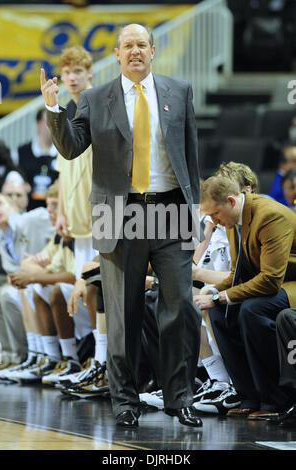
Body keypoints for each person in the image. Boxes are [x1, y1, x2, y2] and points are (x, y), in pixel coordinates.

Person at [41, 23, 202, 428]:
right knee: (123, 312)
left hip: (171, 210)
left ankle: (179, 397)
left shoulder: (179, 91)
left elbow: (192, 153)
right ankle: (125, 401)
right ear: (116, 54)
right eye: (127, 46)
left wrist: (194, 208)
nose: (135, 52)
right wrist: (54, 109)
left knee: (180, 306)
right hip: (120, 212)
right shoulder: (96, 97)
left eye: (141, 45)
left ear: (153, 51)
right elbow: (72, 146)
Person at [194, 176, 296, 419]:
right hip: (277, 284)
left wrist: (222, 296)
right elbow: (237, 272)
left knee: (252, 310)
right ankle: (249, 395)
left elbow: (270, 279)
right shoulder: (232, 220)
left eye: (215, 214)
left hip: (289, 284)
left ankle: (276, 399)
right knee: (219, 313)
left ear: (230, 201)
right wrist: (216, 291)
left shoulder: (269, 215)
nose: (213, 221)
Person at [53, 45, 96, 282]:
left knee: (96, 286)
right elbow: (63, 169)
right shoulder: (65, 111)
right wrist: (61, 212)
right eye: (67, 72)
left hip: (98, 210)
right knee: (82, 284)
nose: (71, 77)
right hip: (75, 212)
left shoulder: (100, 105)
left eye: (78, 71)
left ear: (90, 72)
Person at [0, 192, 54, 365]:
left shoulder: (31, 219)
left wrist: (48, 254)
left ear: (14, 207)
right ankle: (8, 355)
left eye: (0, 203)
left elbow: (56, 220)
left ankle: (25, 355)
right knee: (1, 294)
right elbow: (12, 269)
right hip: (26, 281)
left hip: (47, 275)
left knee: (7, 295)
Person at [11, 108, 58, 210]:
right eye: (49, 122)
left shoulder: (65, 153)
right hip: (27, 212)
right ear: (39, 124)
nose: (53, 127)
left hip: (55, 213)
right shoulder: (21, 152)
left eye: (56, 122)